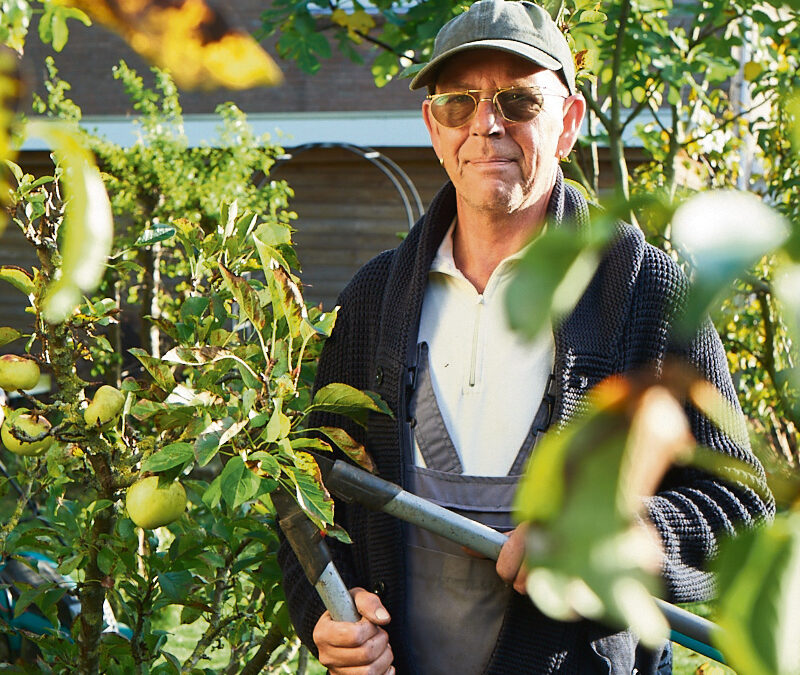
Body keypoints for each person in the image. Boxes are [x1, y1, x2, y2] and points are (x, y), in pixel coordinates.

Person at [277, 1, 774, 673]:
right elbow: (307, 492)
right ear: (433, 125)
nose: (487, 125)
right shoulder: (373, 301)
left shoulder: (643, 292)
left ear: (567, 124)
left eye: (519, 100)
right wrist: (331, 615)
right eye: (460, 103)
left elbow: (740, 508)